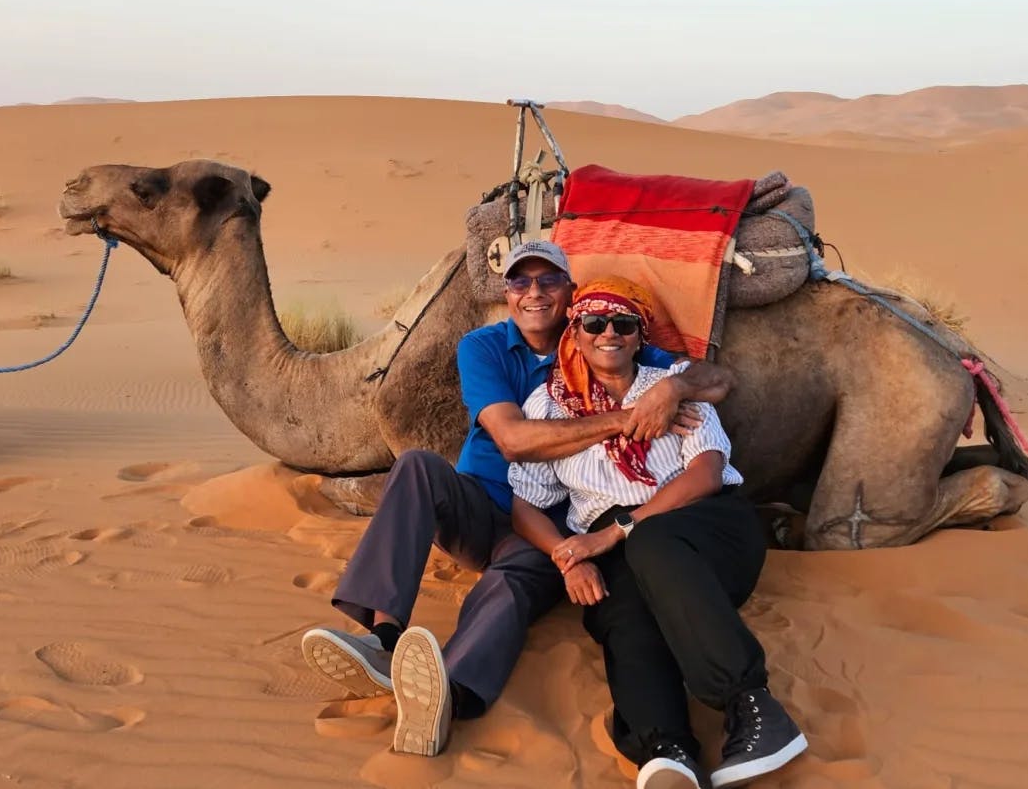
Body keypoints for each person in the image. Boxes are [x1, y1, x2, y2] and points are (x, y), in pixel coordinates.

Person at [300, 241, 734, 757]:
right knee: (417, 466)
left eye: (548, 281)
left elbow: (718, 380)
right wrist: (624, 418)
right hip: (481, 506)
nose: (534, 293)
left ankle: (450, 694)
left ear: (570, 296)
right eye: (520, 282)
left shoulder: (602, 335)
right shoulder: (485, 347)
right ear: (506, 293)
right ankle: (384, 636)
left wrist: (672, 389)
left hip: (555, 522)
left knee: (511, 583)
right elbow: (512, 440)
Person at [509, 277, 806, 789]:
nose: (609, 334)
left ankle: (755, 709)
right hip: (613, 542)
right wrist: (569, 555)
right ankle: (666, 748)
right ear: (574, 332)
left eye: (624, 324)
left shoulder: (668, 385)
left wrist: (616, 533)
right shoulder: (547, 407)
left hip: (706, 526)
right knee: (621, 612)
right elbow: (524, 503)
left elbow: (706, 473)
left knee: (651, 541)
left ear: (638, 335)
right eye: (594, 323)